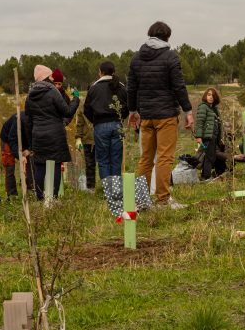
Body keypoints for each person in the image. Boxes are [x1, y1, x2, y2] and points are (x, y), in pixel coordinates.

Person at [127, 21, 194, 209]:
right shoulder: (171, 57)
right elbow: (178, 86)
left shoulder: (136, 58)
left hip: (146, 115)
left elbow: (132, 88)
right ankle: (163, 200)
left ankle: (140, 201)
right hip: (166, 116)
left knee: (145, 159)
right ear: (167, 37)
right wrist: (188, 111)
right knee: (164, 158)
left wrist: (132, 111)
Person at [25, 64, 79, 201]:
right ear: (46, 77)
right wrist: (75, 101)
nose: (52, 77)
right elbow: (67, 111)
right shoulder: (52, 91)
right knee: (55, 165)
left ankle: (40, 198)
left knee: (39, 167)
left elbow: (28, 122)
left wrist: (30, 143)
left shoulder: (29, 96)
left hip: (38, 136)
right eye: (50, 76)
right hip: (55, 135)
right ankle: (53, 199)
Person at [83, 61, 129, 179]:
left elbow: (86, 109)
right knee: (116, 159)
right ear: (114, 72)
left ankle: (107, 191)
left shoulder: (93, 88)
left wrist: (95, 121)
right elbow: (128, 106)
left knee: (103, 160)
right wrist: (120, 118)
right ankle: (116, 190)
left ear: (101, 73)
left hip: (100, 125)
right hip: (117, 125)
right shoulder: (121, 87)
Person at [0, 111, 34, 198]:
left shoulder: (39, 122)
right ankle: (12, 195)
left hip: (25, 141)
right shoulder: (18, 121)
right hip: (8, 139)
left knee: (31, 163)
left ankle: (31, 190)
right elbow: (12, 140)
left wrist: (29, 150)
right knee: (9, 165)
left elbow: (37, 139)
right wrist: (20, 156)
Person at [195, 87, 226, 181]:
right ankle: (206, 177)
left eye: (213, 95)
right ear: (205, 96)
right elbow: (200, 122)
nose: (211, 97)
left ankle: (205, 175)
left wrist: (220, 138)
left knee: (211, 156)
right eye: (208, 94)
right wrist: (199, 136)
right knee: (209, 157)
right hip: (207, 137)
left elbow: (218, 125)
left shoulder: (214, 109)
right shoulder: (203, 107)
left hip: (215, 137)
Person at [75, 93, 96, 191]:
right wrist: (78, 137)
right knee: (89, 164)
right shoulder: (82, 107)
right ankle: (91, 187)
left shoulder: (100, 104)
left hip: (100, 139)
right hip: (87, 139)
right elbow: (79, 124)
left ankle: (107, 186)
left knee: (103, 163)